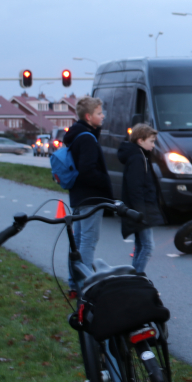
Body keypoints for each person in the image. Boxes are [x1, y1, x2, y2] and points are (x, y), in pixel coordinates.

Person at [63, 96, 113, 296]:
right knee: (88, 241)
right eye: (99, 113)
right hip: (91, 197)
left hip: (78, 195)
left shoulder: (77, 135)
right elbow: (88, 170)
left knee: (77, 241)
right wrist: (105, 182)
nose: (103, 116)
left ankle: (74, 283)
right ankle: (83, 285)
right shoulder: (87, 138)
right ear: (88, 116)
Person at [118, 124, 163, 274]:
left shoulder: (139, 156)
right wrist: (141, 212)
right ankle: (136, 277)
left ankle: (133, 276)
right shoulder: (138, 158)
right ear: (140, 140)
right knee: (148, 246)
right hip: (141, 210)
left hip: (140, 209)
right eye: (151, 141)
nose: (153, 145)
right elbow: (135, 188)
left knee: (140, 245)